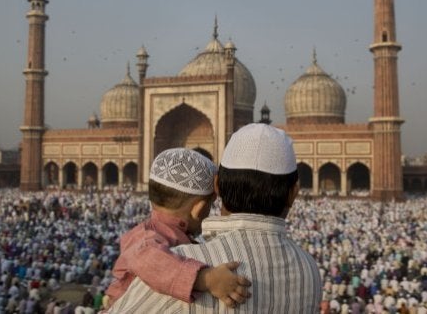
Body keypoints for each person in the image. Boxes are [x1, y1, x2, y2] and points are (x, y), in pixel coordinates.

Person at [110, 123, 322, 313]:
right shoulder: (310, 271)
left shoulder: (183, 260)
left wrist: (204, 278)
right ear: (294, 193)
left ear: (217, 186)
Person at [105, 148, 251, 308]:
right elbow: (148, 259)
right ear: (200, 209)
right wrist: (207, 279)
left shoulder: (159, 232)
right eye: (210, 205)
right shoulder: (147, 239)